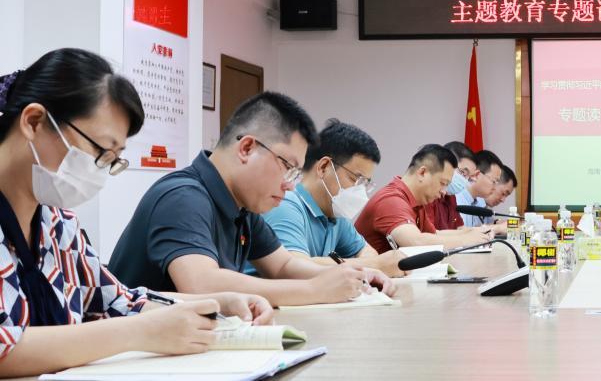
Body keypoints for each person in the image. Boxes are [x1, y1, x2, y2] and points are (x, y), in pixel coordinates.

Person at [0, 49, 272, 377]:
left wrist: (222, 303)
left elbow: (119, 301)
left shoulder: (58, 224)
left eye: (112, 159)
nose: (99, 170)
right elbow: (5, 346)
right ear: (33, 122)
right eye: (99, 151)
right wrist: (138, 332)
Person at [110, 92, 394, 306]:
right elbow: (201, 283)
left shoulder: (242, 208)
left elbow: (283, 266)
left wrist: (355, 274)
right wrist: (314, 290)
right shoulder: (183, 197)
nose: (290, 185)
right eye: (287, 166)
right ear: (247, 148)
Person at [258, 119, 407, 277]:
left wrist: (367, 263)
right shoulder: (285, 204)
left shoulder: (335, 213)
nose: (360, 191)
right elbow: (294, 267)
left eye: (365, 184)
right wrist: (374, 265)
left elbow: (367, 253)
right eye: (355, 179)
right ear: (323, 167)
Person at [354, 144, 492, 252]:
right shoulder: (391, 200)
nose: (444, 192)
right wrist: (466, 240)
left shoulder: (417, 202)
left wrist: (472, 233)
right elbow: (416, 242)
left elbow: (434, 234)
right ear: (422, 173)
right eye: (442, 183)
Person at [458, 150, 506, 231]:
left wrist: (499, 224)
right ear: (477, 175)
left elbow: (486, 224)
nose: (495, 188)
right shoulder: (457, 200)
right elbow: (462, 233)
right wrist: (497, 228)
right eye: (494, 181)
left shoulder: (479, 201)